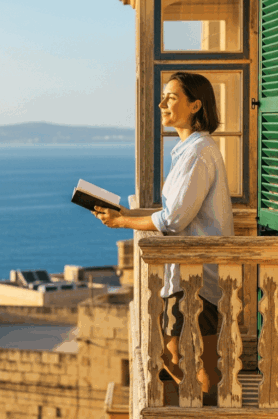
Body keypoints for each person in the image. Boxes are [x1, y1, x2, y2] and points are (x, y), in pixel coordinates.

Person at [92, 72, 233, 403]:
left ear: (195, 105)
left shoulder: (198, 152)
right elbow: (174, 211)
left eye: (171, 97)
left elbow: (173, 218)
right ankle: (205, 405)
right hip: (185, 275)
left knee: (196, 358)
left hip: (196, 277)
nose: (161, 103)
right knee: (180, 355)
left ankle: (209, 409)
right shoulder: (189, 150)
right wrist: (125, 216)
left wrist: (123, 221)